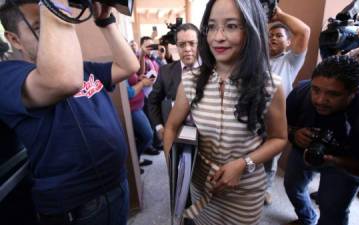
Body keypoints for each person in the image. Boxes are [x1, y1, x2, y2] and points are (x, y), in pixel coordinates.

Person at [0, 1, 139, 225]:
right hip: (78, 206)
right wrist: (55, 5)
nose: (51, 30)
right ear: (14, 39)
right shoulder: (7, 75)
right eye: (40, 26)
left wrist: (105, 21)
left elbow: (129, 66)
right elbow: (63, 81)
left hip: (115, 184)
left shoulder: (81, 69)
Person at [163, 0, 287, 224]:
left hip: (245, 192)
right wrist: (176, 170)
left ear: (251, 29)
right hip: (201, 185)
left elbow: (279, 138)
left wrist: (243, 164)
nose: (217, 37)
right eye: (211, 26)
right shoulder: (191, 80)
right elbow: (171, 126)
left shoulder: (270, 84)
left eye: (231, 26)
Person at [284, 55, 359, 225]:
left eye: (333, 94)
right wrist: (294, 133)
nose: (320, 100)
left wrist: (334, 160)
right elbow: (281, 127)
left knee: (332, 208)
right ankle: (307, 218)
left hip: (347, 163)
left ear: (353, 92)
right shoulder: (301, 92)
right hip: (304, 152)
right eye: (316, 89)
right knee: (292, 187)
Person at [264, 6, 310, 205]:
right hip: (252, 116)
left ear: (288, 41)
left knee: (269, 159)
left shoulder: (291, 61)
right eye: (270, 35)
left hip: (276, 120)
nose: (273, 38)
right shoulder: (258, 60)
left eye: (278, 35)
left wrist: (279, 15)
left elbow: (304, 32)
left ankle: (265, 189)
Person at [148, 23, 200, 141]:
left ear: (199, 44)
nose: (187, 49)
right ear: (176, 46)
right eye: (182, 45)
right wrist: (159, 127)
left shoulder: (212, 70)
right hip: (177, 136)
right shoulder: (165, 71)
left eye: (192, 43)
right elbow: (153, 101)